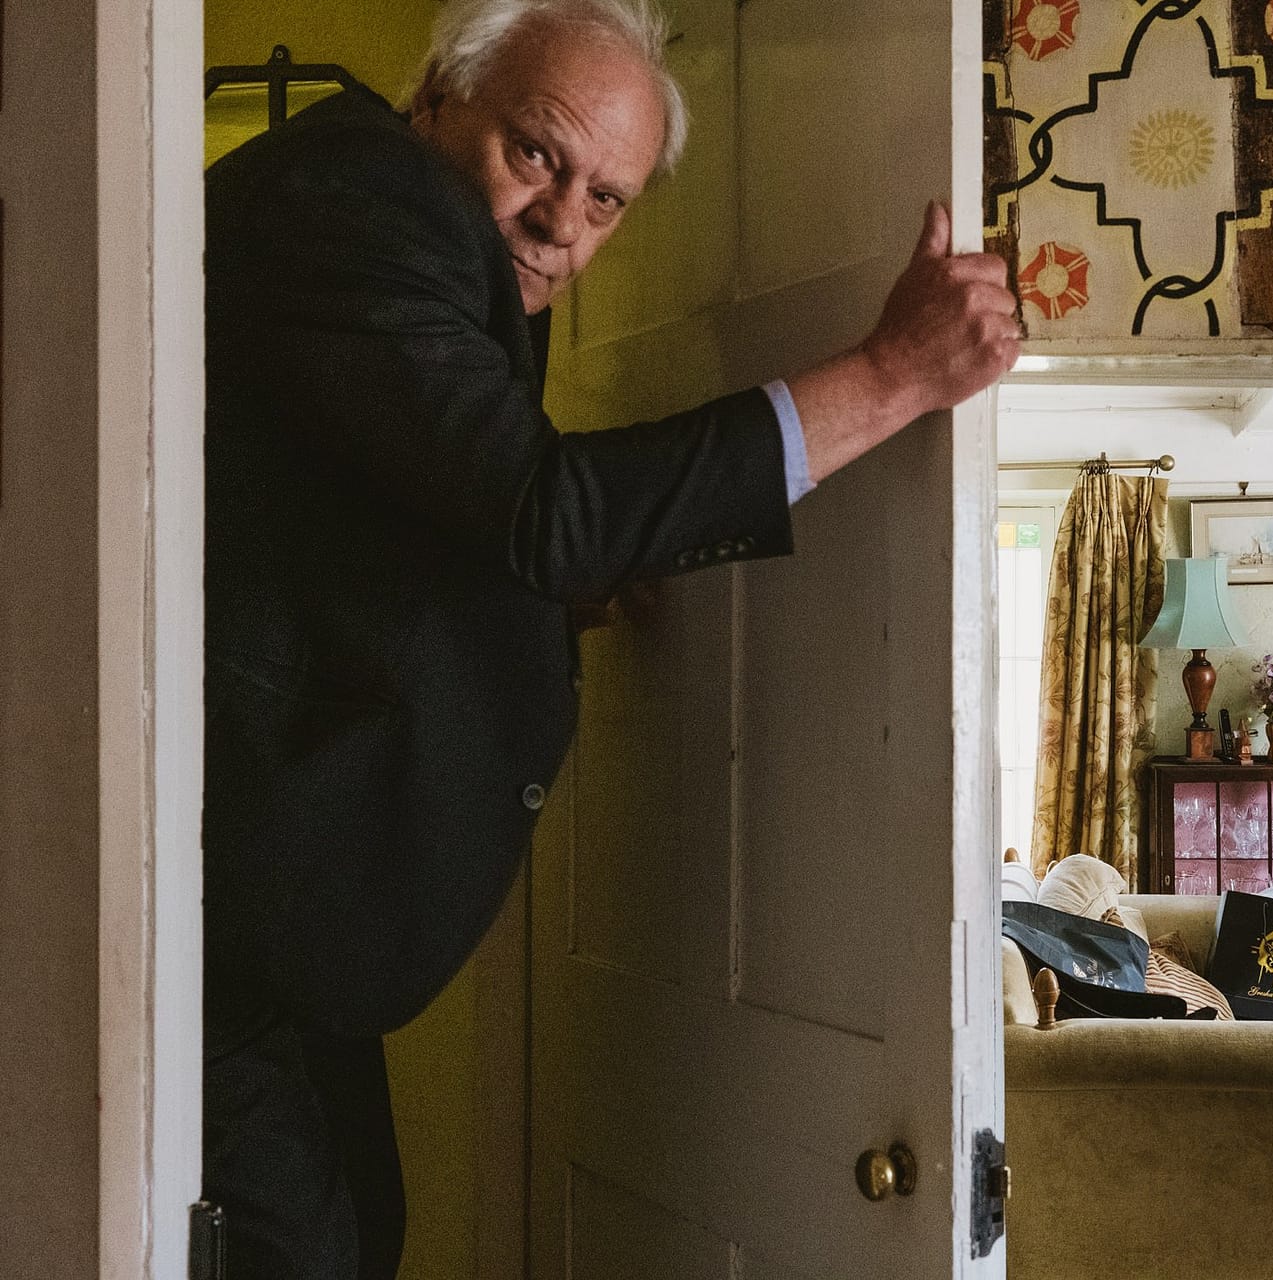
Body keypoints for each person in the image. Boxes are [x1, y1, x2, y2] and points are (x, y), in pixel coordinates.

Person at [200, 1, 1018, 1274]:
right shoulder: (358, 196)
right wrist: (894, 375)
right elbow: (531, 505)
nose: (563, 222)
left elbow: (380, 518)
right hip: (216, 922)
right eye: (536, 153)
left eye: (608, 197)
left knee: (358, 1239)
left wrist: (547, 595)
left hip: (276, 928)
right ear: (435, 103)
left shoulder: (418, 237)